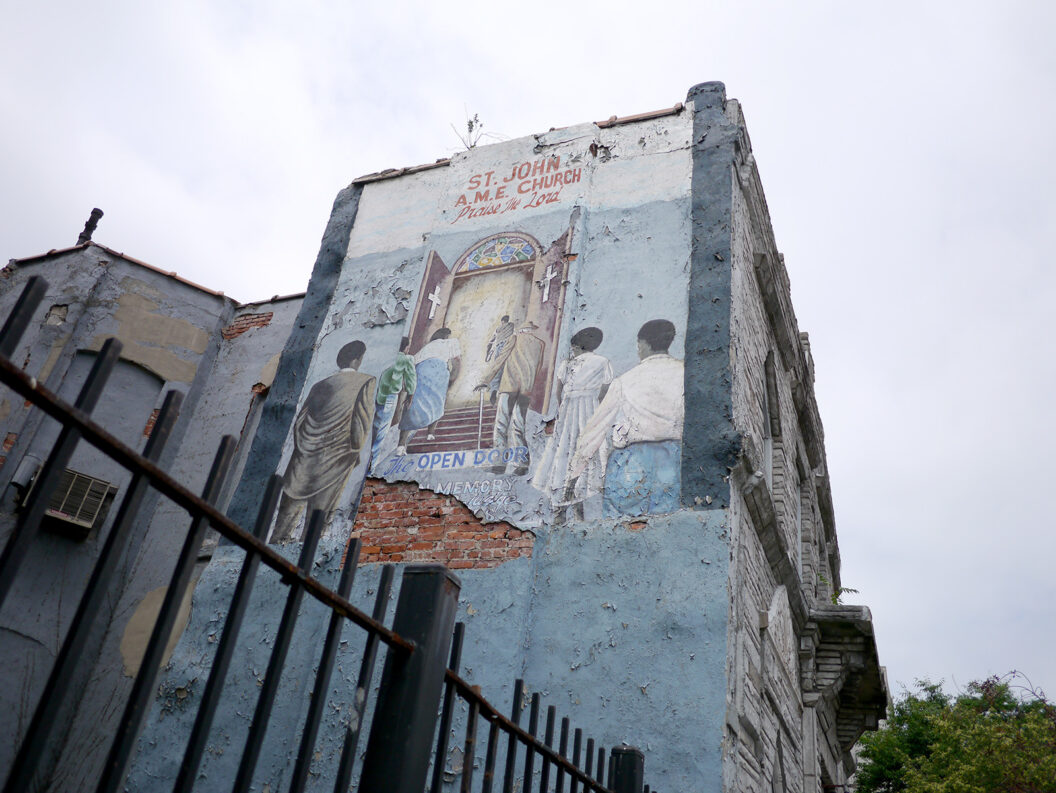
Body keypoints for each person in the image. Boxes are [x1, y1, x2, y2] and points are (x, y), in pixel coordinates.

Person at [566, 319, 684, 516]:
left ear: (643, 344)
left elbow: (594, 431)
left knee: (618, 534)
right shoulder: (684, 373)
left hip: (630, 465)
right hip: (673, 462)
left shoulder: (624, 381)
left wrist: (573, 476)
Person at [273, 341, 375, 542]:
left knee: (288, 512)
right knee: (319, 518)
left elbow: (300, 420)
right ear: (356, 360)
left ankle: (278, 543)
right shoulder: (365, 381)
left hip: (306, 454)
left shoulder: (319, 384)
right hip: (338, 456)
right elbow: (361, 421)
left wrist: (305, 446)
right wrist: (355, 450)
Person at [531, 327, 613, 521]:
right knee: (585, 451)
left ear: (577, 345)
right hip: (589, 408)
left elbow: (558, 391)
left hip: (570, 408)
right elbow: (606, 388)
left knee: (564, 452)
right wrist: (594, 401)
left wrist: (564, 405)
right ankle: (576, 505)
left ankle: (568, 503)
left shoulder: (567, 364)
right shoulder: (602, 362)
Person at [476, 320, 545, 474]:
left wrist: (484, 381)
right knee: (518, 426)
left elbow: (499, 360)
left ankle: (500, 464)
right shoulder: (540, 344)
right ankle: (523, 464)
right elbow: (538, 368)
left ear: (520, 331)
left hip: (509, 386)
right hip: (526, 390)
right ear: (531, 330)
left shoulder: (513, 339)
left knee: (501, 425)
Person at [396, 328, 461, 452]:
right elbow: (457, 362)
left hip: (421, 372)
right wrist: (451, 379)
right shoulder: (451, 342)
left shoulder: (427, 347)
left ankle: (401, 444)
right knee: (437, 403)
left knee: (412, 406)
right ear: (446, 336)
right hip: (438, 373)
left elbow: (413, 362)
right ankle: (430, 433)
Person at [369, 336, 416, 470]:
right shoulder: (406, 359)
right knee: (381, 433)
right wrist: (410, 396)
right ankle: (372, 467)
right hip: (390, 396)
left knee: (374, 430)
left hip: (378, 395)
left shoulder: (387, 356)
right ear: (405, 347)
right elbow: (411, 379)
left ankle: (370, 462)